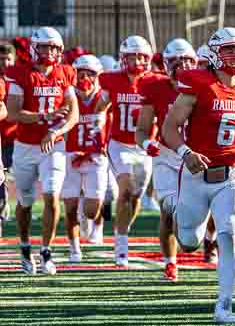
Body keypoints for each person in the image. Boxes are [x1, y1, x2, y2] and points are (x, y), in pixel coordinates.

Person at [162, 27, 235, 324]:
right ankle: (174, 206)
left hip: (231, 173)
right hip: (196, 174)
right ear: (214, 55)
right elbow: (169, 128)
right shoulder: (198, 83)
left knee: (229, 235)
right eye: (229, 49)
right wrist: (186, 154)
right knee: (189, 242)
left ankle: (224, 306)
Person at [6, 27, 79, 275]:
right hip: (25, 145)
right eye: (44, 47)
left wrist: (56, 131)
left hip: (53, 145)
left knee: (51, 195)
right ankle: (25, 248)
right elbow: (14, 113)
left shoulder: (65, 74)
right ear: (35, 49)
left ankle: (46, 251)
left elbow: (74, 114)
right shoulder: (21, 74)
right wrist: (43, 116)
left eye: (54, 47)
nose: (49, 52)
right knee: (25, 201)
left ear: (59, 50)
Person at [135, 38, 199, 282]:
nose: (182, 67)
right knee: (168, 211)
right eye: (176, 62)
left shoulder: (204, 85)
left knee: (197, 221)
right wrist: (147, 143)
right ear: (165, 64)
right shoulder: (155, 87)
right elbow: (141, 129)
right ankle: (170, 263)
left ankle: (208, 242)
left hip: (196, 155)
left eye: (187, 61)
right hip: (166, 155)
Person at [99, 35, 160, 267]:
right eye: (131, 56)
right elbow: (100, 109)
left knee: (135, 196)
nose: (136, 60)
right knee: (124, 191)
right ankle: (121, 247)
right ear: (123, 58)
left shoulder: (156, 81)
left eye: (140, 56)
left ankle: (123, 229)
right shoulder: (112, 80)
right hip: (120, 144)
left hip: (144, 148)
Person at [61, 55, 109, 263]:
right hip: (70, 156)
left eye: (90, 74)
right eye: (81, 73)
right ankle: (74, 249)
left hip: (96, 158)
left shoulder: (104, 97)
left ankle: (94, 220)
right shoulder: (68, 96)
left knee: (90, 211)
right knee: (70, 207)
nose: (85, 78)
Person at [0, 43, 17, 227]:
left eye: (8, 59)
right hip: (1, 136)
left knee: (11, 175)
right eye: (2, 59)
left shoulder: (19, 79)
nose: (5, 62)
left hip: (14, 136)